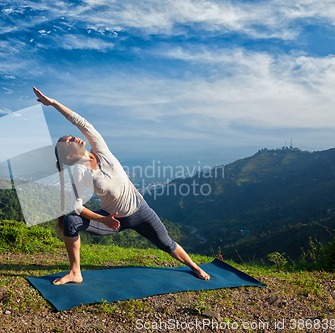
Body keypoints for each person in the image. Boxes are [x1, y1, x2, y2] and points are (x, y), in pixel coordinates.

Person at [33, 87, 210, 285]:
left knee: (166, 243)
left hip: (141, 211)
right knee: (70, 221)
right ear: (70, 155)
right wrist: (104, 219)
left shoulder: (101, 151)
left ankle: (194, 266)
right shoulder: (79, 173)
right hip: (113, 219)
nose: (74, 137)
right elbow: (76, 206)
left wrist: (54, 103)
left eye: (71, 136)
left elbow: (82, 123)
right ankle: (75, 272)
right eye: (69, 142)